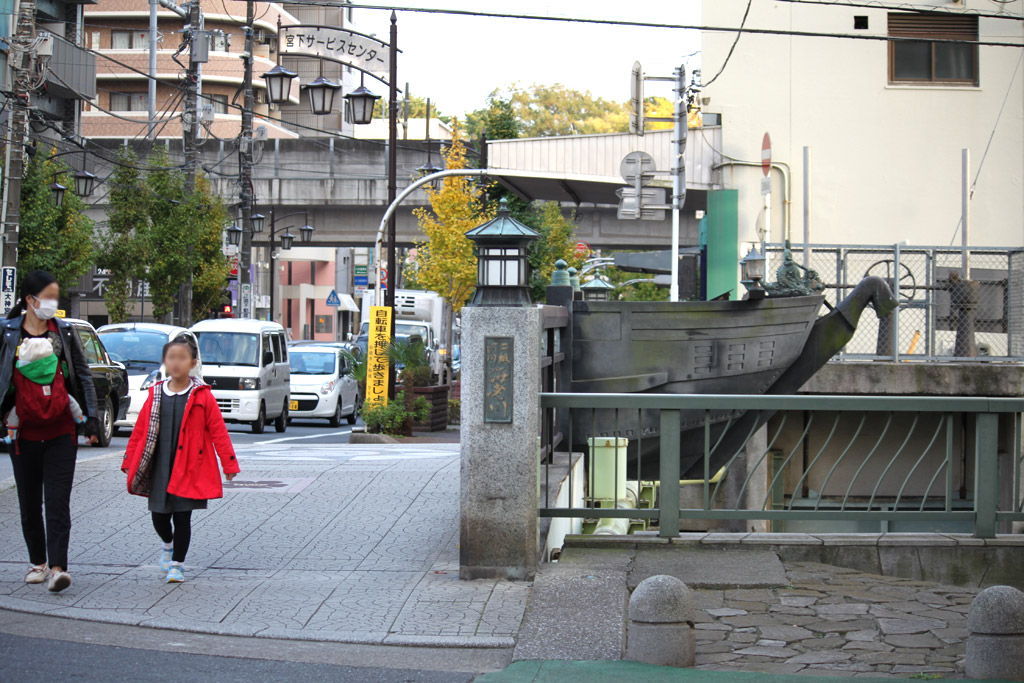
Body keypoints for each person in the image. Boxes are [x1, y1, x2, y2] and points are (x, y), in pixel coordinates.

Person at [0, 270, 99, 593]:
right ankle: (37, 563)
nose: (53, 303)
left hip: (61, 432)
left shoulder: (64, 332)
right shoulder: (8, 333)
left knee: (57, 501)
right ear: (30, 300)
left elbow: (82, 376)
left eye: (56, 296)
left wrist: (92, 419)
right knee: (29, 503)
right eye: (49, 296)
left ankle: (58, 568)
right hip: (23, 433)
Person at [121, 335, 239, 583]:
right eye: (171, 357)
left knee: (183, 516)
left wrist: (228, 463)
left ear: (193, 362)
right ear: (164, 361)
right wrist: (128, 460)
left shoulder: (202, 396)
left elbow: (218, 430)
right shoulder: (154, 394)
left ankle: (177, 564)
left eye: (182, 358)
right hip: (160, 464)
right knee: (159, 515)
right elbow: (140, 432)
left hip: (190, 467)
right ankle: (167, 543)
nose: (176, 363)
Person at [4, 338, 87, 444]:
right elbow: (66, 373)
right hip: (53, 400)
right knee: (68, 400)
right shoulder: (55, 364)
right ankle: (79, 418)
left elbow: (11, 387)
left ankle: (12, 435)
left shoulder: (21, 369)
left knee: (14, 414)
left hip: (28, 404)